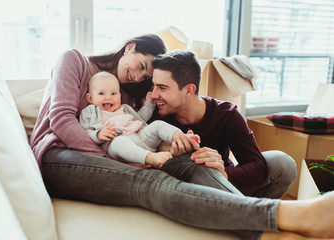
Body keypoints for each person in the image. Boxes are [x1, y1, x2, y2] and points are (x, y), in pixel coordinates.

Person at [30, 34, 334, 240]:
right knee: (152, 181)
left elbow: (140, 130)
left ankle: (259, 226)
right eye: (141, 68)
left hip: (119, 153)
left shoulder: (128, 98)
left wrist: (215, 163)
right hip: (62, 154)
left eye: (147, 78)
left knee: (193, 163)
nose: (138, 77)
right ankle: (285, 217)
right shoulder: (76, 61)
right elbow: (60, 118)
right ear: (130, 46)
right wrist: (113, 156)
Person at [149, 50, 297, 199]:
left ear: (189, 90)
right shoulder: (155, 113)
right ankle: (246, 213)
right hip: (181, 193)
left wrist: (223, 173)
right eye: (153, 86)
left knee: (282, 163)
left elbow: (257, 166)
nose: (153, 95)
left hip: (223, 186)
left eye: (162, 88)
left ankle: (247, 213)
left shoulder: (226, 114)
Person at [79, 71, 200, 168]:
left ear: (120, 96)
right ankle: (150, 158)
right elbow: (84, 133)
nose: (108, 98)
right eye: (101, 93)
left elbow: (141, 118)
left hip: (141, 137)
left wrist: (149, 103)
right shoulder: (90, 112)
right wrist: (99, 134)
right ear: (90, 98)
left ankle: (180, 137)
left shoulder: (125, 108)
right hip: (118, 146)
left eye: (113, 94)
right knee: (119, 143)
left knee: (157, 124)